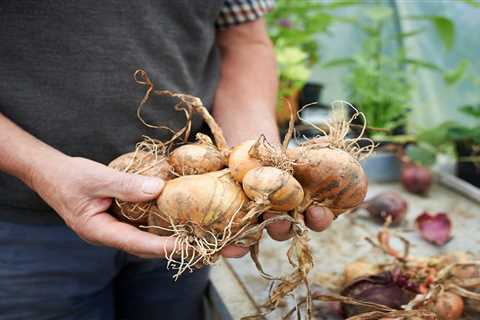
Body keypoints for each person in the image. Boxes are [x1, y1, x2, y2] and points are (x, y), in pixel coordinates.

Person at [0, 1, 334, 319]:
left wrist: (252, 156)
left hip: (189, 222)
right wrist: (36, 167)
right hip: (23, 223)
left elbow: (244, 42)